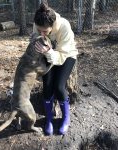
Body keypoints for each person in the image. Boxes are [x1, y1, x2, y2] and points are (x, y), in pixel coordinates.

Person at [33, 3, 78, 135]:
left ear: (52, 26)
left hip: (67, 55)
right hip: (48, 54)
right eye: (39, 30)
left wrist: (48, 52)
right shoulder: (37, 24)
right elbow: (35, 41)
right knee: (47, 87)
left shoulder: (64, 26)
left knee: (59, 87)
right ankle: (49, 119)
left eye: (45, 31)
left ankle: (65, 118)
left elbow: (63, 54)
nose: (42, 34)